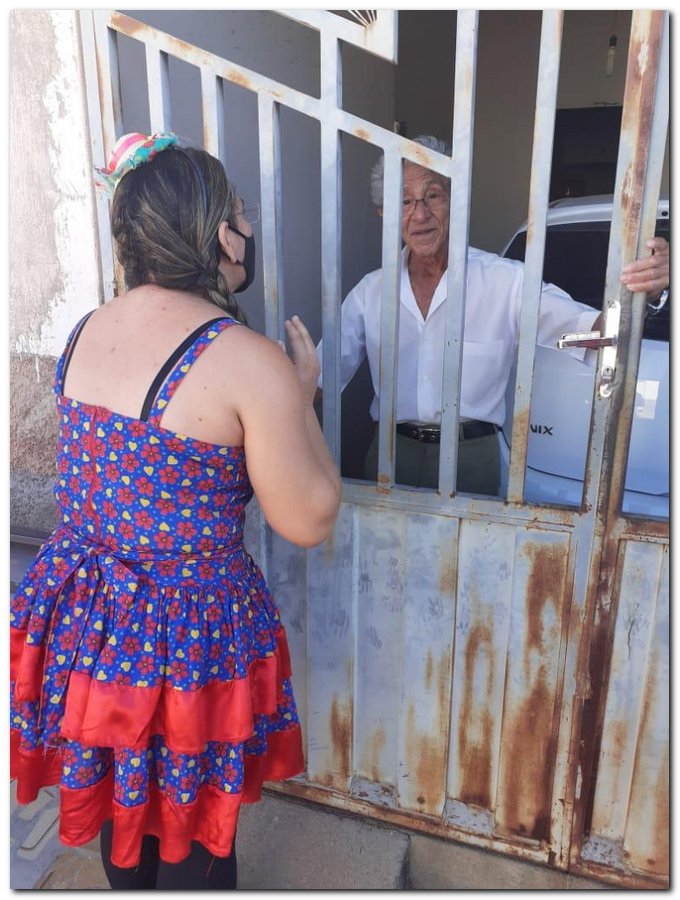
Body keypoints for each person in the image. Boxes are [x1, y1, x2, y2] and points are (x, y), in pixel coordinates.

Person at [9, 132, 341, 890]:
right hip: (185, 636)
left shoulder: (87, 328)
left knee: (126, 806)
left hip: (91, 623)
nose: (247, 231)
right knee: (194, 835)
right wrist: (301, 393)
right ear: (219, 234)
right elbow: (309, 516)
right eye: (240, 215)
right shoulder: (245, 359)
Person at [317, 134, 670, 494]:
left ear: (455, 200)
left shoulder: (507, 281)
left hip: (473, 457)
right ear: (386, 214)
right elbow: (318, 375)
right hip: (390, 456)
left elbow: (597, 334)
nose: (419, 214)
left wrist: (650, 295)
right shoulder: (370, 292)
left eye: (433, 196)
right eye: (404, 201)